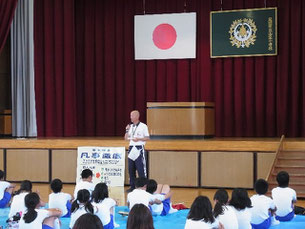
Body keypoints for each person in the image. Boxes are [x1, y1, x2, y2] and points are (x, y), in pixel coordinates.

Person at [124, 110, 150, 192]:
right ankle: (132, 187)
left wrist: (139, 139)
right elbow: (125, 138)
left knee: (141, 169)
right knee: (131, 169)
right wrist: (127, 130)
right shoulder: (130, 126)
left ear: (137, 116)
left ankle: (143, 187)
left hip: (139, 147)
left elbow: (147, 137)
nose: (130, 117)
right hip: (131, 147)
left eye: (132, 116)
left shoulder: (143, 126)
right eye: (130, 116)